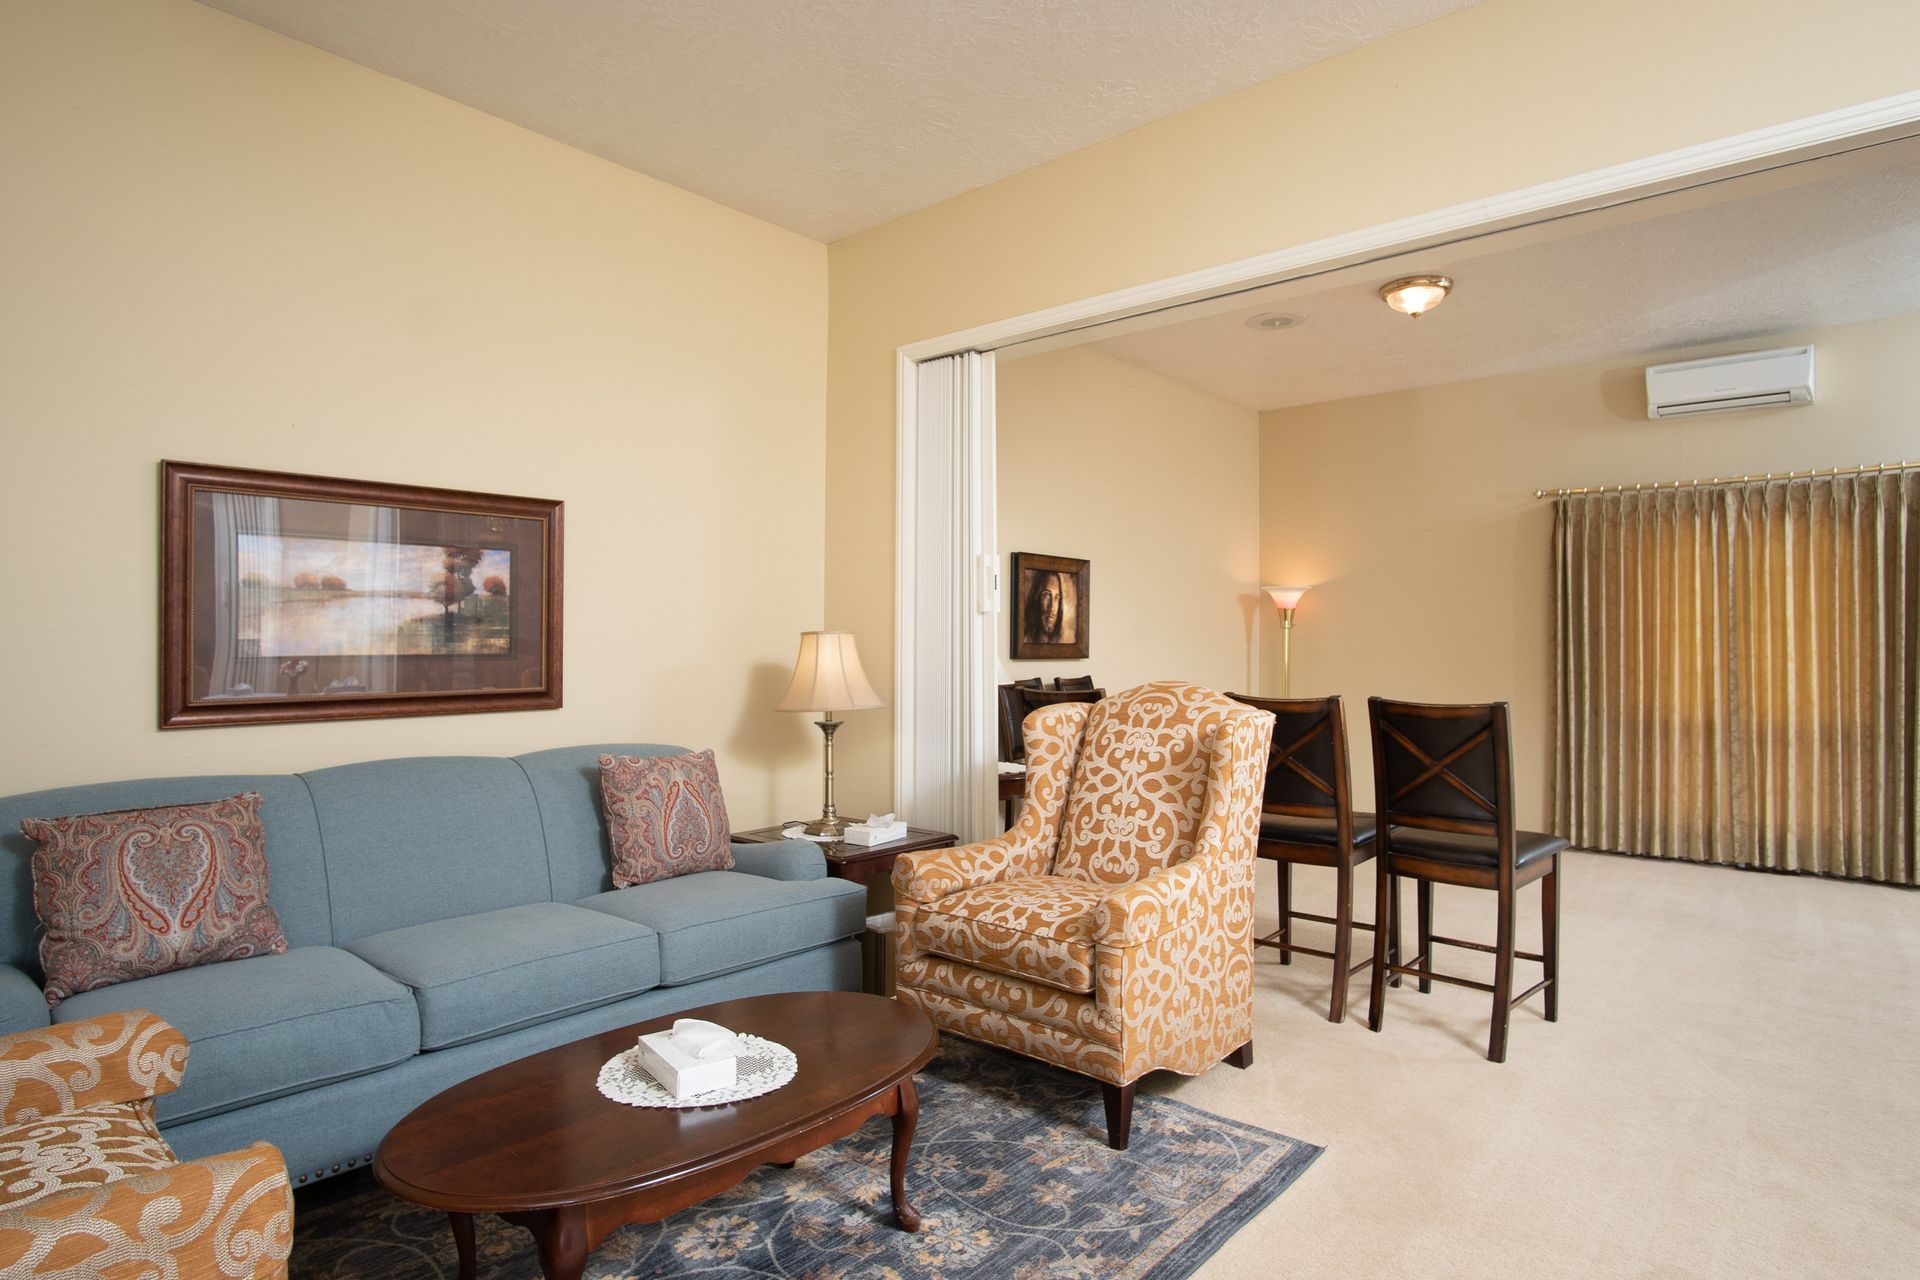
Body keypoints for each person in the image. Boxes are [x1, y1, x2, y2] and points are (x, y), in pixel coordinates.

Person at [1022, 569, 1068, 644]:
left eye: (1056, 597)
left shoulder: (1060, 642)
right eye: (1047, 595)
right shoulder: (1025, 640)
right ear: (1036, 597)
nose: (1052, 607)